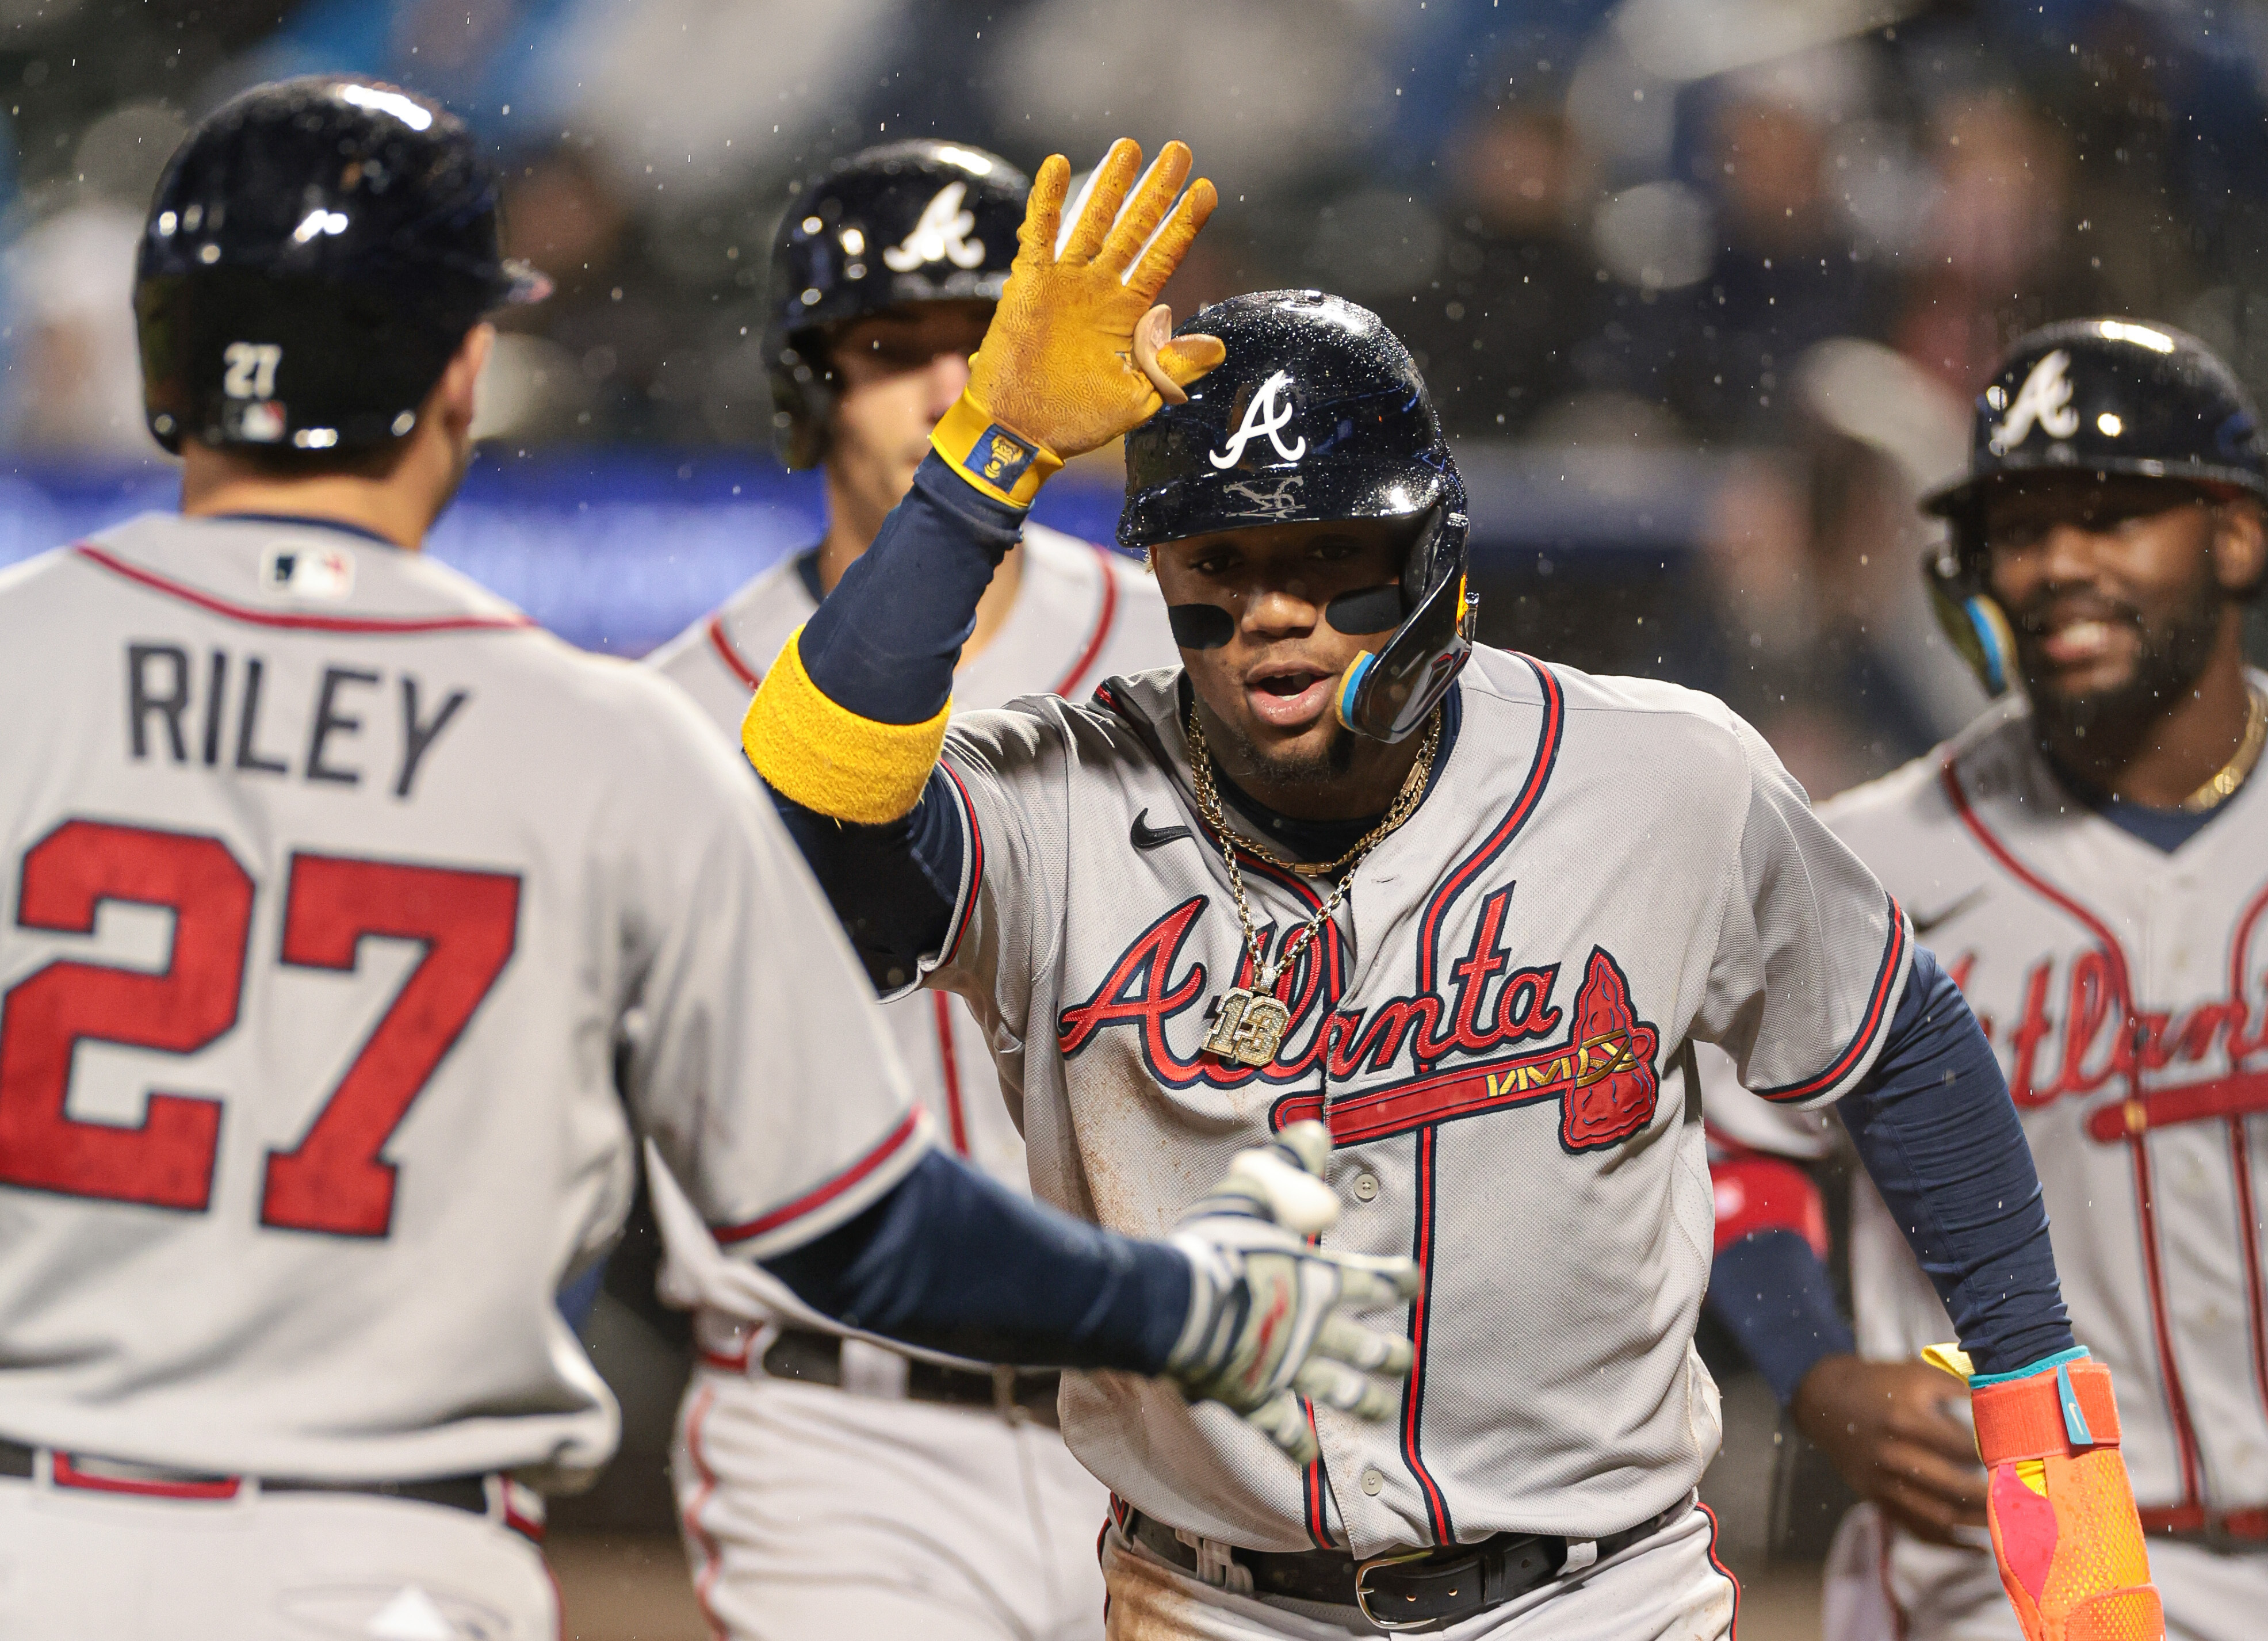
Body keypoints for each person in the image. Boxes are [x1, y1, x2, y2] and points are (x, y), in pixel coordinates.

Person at [0, 81, 1416, 1641]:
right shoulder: (603, 734)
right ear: (465, 367)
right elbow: (849, 1218)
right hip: (397, 1557)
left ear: (158, 363)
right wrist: (1191, 1304)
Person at [741, 138, 2162, 1640]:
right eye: (1219, 565)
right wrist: (988, 454)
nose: (1272, 614)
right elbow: (803, 831)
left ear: (1435, 556)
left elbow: (1901, 1044)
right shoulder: (1055, 799)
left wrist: (2039, 1407)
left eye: (1329, 557)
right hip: (1214, 1601)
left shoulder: (1659, 776)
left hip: (1600, 1590)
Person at [647, 139, 1172, 1641]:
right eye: (894, 349)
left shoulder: (1182, 655)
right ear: (806, 386)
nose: (952, 388)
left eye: (984, 340)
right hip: (837, 1429)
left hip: (1178, 1414)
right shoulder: (672, 711)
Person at [1701, 318, 2268, 1641]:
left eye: (2109, 515)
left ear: (2235, 537)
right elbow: (1730, 1149)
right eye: (2019, 530)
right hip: (2012, 1561)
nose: (2057, 565)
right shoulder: (1867, 856)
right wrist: (1817, 1372)